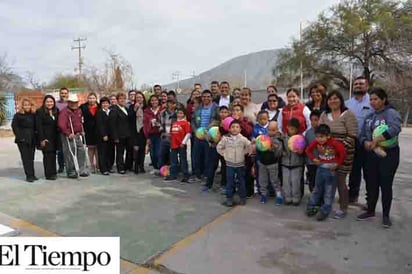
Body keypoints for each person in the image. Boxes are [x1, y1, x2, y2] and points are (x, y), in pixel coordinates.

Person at [357, 88, 401, 228]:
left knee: (386, 185)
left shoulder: (391, 113)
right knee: (371, 183)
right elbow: (362, 134)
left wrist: (378, 139)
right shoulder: (370, 116)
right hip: (371, 154)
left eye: (376, 99)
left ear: (383, 99)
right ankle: (370, 210)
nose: (373, 102)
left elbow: (395, 128)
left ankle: (386, 215)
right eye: (371, 99)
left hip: (389, 155)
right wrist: (366, 142)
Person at [319, 91, 358, 218]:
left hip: (344, 155)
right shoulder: (324, 115)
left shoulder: (348, 115)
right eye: (330, 99)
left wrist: (337, 151)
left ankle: (343, 207)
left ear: (341, 100)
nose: (333, 101)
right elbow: (320, 133)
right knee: (328, 181)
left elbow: (352, 136)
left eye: (336, 98)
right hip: (327, 155)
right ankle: (326, 205)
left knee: (341, 181)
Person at [306, 124, 347, 221]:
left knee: (329, 192)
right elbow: (308, 150)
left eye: (322, 137)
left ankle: (325, 211)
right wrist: (314, 159)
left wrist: (338, 164)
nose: (319, 139)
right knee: (317, 189)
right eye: (317, 137)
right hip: (320, 168)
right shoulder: (316, 142)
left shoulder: (334, 143)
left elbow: (343, 153)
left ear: (328, 136)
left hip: (331, 171)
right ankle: (311, 206)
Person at [346, 76, 373, 203]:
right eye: (356, 84)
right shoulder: (347, 104)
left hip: (369, 143)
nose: (357, 86)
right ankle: (352, 196)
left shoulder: (372, 102)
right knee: (354, 171)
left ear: (367, 86)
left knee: (369, 173)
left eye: (361, 84)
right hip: (352, 142)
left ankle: (370, 201)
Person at [217, 120, 251, 207]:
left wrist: (245, 152)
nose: (235, 129)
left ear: (240, 129)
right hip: (229, 164)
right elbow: (219, 147)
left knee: (241, 181)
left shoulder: (243, 139)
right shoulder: (225, 139)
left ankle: (242, 197)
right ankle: (229, 198)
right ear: (229, 129)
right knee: (230, 182)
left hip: (240, 164)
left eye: (237, 127)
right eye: (232, 127)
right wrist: (225, 154)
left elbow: (249, 146)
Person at [189, 90, 219, 185]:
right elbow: (193, 121)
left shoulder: (216, 108)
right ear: (201, 98)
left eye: (208, 96)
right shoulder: (198, 108)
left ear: (211, 97)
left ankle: (207, 177)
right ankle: (197, 175)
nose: (206, 98)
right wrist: (196, 131)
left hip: (209, 136)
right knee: (196, 157)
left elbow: (219, 120)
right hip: (198, 136)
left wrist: (210, 128)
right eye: (204, 96)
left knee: (208, 158)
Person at [58, 94, 88, 179]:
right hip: (68, 136)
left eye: (75, 102)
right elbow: (61, 125)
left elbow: (80, 122)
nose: (74, 104)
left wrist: (81, 131)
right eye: (72, 102)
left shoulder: (79, 111)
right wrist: (68, 133)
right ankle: (70, 171)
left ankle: (81, 169)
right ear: (68, 102)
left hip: (77, 135)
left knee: (81, 151)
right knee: (70, 153)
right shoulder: (64, 112)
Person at [257, 121, 284, 205]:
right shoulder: (263, 137)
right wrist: (257, 144)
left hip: (273, 164)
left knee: (275, 180)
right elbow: (258, 148)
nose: (271, 132)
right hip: (262, 163)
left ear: (277, 130)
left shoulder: (279, 140)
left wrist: (273, 148)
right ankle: (263, 195)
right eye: (270, 130)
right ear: (267, 129)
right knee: (262, 180)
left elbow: (279, 153)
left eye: (273, 130)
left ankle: (279, 195)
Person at [230, 104, 254, 197]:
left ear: (242, 112)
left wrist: (239, 121)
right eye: (234, 110)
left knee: (247, 171)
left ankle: (248, 191)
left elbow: (248, 131)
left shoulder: (247, 121)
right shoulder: (230, 122)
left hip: (245, 150)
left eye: (238, 110)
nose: (235, 112)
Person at [281, 118, 305, 205]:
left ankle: (296, 197)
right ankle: (287, 197)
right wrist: (281, 152)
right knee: (286, 182)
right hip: (285, 163)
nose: (292, 131)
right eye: (290, 128)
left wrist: (301, 152)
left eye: (294, 129)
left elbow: (303, 151)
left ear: (297, 129)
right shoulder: (283, 137)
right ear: (287, 127)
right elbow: (280, 148)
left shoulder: (300, 138)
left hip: (297, 164)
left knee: (296, 182)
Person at [12, 98, 37, 182]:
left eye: (28, 105)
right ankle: (29, 176)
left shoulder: (33, 114)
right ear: (22, 106)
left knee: (31, 158)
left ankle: (33, 175)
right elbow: (14, 127)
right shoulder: (18, 115)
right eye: (25, 105)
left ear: (31, 105)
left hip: (32, 138)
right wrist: (20, 137)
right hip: (22, 139)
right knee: (25, 158)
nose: (27, 106)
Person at [36, 95, 59, 180]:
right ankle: (48, 174)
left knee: (53, 155)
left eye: (51, 101)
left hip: (54, 138)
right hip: (45, 137)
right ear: (44, 103)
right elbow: (39, 127)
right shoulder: (40, 112)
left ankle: (53, 172)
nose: (49, 103)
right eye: (48, 102)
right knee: (47, 156)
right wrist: (42, 139)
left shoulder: (56, 111)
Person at [165, 108, 191, 182]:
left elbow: (188, 133)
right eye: (178, 113)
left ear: (184, 114)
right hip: (173, 145)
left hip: (181, 144)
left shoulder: (185, 123)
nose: (179, 115)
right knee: (173, 160)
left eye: (181, 113)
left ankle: (185, 175)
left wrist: (183, 142)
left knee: (183, 160)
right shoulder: (174, 123)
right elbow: (171, 133)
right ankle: (173, 174)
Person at [109, 92, 131, 174]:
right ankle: (120, 167)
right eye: (120, 99)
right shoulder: (114, 110)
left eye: (124, 99)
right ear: (117, 100)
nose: (122, 100)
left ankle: (126, 166)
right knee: (120, 152)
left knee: (127, 151)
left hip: (127, 134)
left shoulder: (126, 109)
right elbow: (112, 124)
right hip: (119, 135)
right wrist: (115, 137)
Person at [80, 92, 99, 173]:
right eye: (90, 98)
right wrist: (81, 130)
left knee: (97, 148)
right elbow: (79, 118)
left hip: (98, 130)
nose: (91, 100)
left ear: (96, 99)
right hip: (87, 130)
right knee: (90, 148)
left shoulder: (99, 106)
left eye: (93, 98)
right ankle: (91, 165)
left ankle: (98, 165)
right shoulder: (83, 107)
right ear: (88, 99)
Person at [143, 95, 162, 174]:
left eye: (156, 100)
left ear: (158, 101)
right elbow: (145, 124)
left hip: (160, 134)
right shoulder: (147, 111)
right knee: (152, 153)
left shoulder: (162, 110)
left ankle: (159, 167)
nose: (154, 102)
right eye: (152, 100)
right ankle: (155, 167)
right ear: (150, 102)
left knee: (158, 152)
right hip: (150, 134)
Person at [305, 110, 322, 192]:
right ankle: (313, 197)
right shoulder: (308, 133)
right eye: (312, 120)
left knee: (321, 181)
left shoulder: (324, 132)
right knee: (312, 180)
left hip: (322, 161)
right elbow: (307, 147)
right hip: (311, 162)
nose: (314, 122)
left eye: (316, 120)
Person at [130, 91, 147, 174]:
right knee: (136, 149)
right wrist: (134, 109)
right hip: (135, 131)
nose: (139, 99)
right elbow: (129, 118)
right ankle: (136, 166)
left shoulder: (146, 107)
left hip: (143, 130)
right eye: (137, 98)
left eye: (141, 97)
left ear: (143, 99)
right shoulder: (132, 107)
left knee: (142, 149)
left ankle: (142, 166)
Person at [95, 97, 113, 175]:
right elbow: (100, 125)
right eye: (103, 103)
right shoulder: (99, 113)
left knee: (110, 152)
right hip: (102, 136)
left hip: (111, 136)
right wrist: (104, 134)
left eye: (107, 103)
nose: (105, 104)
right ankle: (103, 169)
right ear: (101, 104)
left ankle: (109, 167)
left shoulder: (111, 112)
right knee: (102, 153)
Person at [158, 98, 177, 170]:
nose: (172, 105)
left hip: (175, 138)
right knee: (162, 154)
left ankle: (174, 170)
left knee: (173, 155)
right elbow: (159, 124)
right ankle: (161, 169)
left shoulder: (178, 113)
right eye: (170, 103)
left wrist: (173, 134)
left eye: (174, 103)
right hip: (164, 137)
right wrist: (162, 132)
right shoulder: (162, 113)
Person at [55, 87, 69, 173]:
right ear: (60, 94)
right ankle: (61, 166)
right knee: (60, 149)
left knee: (69, 148)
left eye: (65, 93)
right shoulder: (56, 104)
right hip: (59, 130)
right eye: (62, 93)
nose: (63, 94)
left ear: (68, 94)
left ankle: (69, 165)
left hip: (69, 129)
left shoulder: (70, 103)